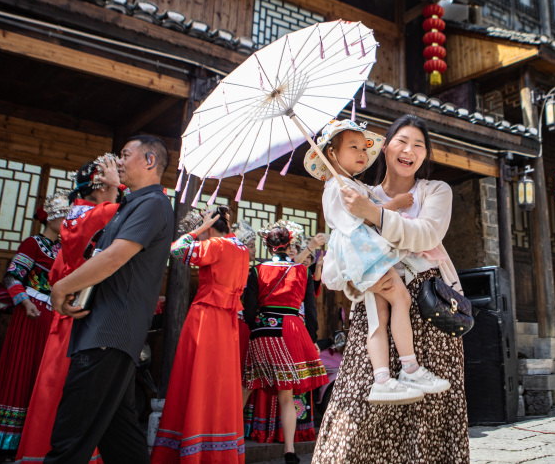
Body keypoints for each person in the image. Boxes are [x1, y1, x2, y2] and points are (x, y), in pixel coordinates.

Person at [313, 114, 469, 464]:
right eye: (402, 141)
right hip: (375, 308)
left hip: (428, 307)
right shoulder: (354, 193)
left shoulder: (435, 191)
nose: (409, 150)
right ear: (384, 147)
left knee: (427, 415)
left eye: (418, 145)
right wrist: (356, 281)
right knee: (357, 406)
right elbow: (340, 256)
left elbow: (427, 234)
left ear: (425, 155)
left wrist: (375, 213)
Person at [44, 135, 175, 464]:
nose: (118, 161)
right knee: (122, 438)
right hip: (107, 330)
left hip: (110, 331)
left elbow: (115, 256)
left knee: (69, 439)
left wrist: (61, 286)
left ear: (149, 161)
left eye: (124, 154)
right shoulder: (134, 204)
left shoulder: (154, 204)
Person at [16, 155, 121, 464]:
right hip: (78, 315)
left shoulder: (78, 213)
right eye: (113, 183)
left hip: (67, 311)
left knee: (59, 387)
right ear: (102, 187)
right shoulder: (96, 214)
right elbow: (141, 211)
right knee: (69, 390)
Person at [152, 206, 250, 463]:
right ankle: (220, 445)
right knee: (219, 380)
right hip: (228, 319)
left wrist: (197, 230)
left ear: (210, 227)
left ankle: (193, 442)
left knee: (195, 374)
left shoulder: (217, 245)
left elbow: (177, 249)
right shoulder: (240, 247)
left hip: (207, 315)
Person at [0, 192, 68, 452]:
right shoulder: (33, 244)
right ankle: (9, 438)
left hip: (53, 316)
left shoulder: (64, 248)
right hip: (31, 314)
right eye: (62, 216)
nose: (65, 221)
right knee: (24, 368)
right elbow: (11, 276)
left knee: (47, 375)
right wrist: (25, 302)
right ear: (50, 218)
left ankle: (37, 435)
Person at [242, 221, 329, 464]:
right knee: (286, 395)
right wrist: (311, 339)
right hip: (290, 330)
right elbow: (310, 311)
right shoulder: (302, 271)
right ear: (289, 244)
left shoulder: (256, 270)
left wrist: (255, 323)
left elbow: (248, 309)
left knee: (248, 385)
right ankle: (289, 451)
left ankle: (231, 438)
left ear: (267, 246)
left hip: (263, 330)